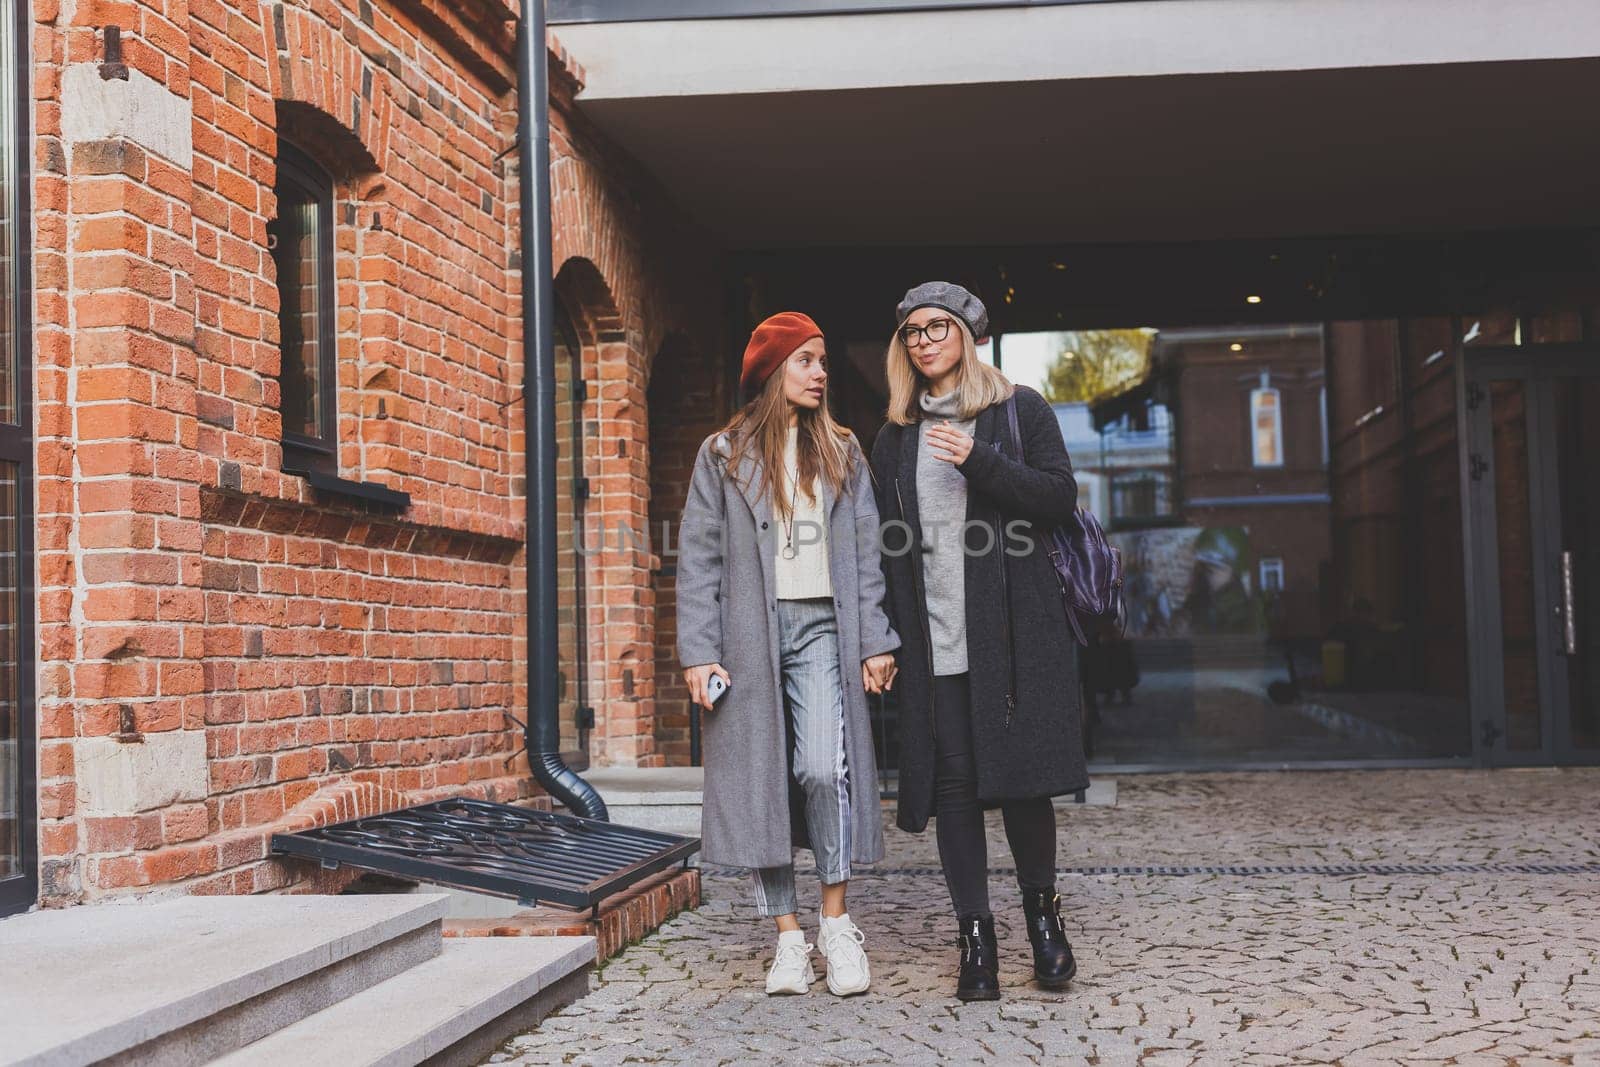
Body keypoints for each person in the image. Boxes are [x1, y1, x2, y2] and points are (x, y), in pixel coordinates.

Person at [869, 281, 1087, 1002]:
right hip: (937, 642)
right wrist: (886, 637)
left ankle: (1045, 924)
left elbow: (1059, 498)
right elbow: (885, 545)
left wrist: (977, 459)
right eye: (911, 332)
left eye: (938, 327)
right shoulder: (894, 436)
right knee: (955, 789)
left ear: (968, 333)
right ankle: (975, 939)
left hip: (1015, 641)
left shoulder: (1017, 410)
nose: (924, 340)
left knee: (1023, 784)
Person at [676, 311, 901, 997]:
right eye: (806, 360)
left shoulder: (843, 450)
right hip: (748, 635)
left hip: (824, 631)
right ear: (774, 372)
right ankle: (789, 939)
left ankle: (836, 923)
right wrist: (698, 651)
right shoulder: (722, 455)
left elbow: (867, 555)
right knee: (760, 784)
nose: (820, 372)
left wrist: (877, 636)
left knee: (818, 770)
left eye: (823, 360)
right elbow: (698, 559)